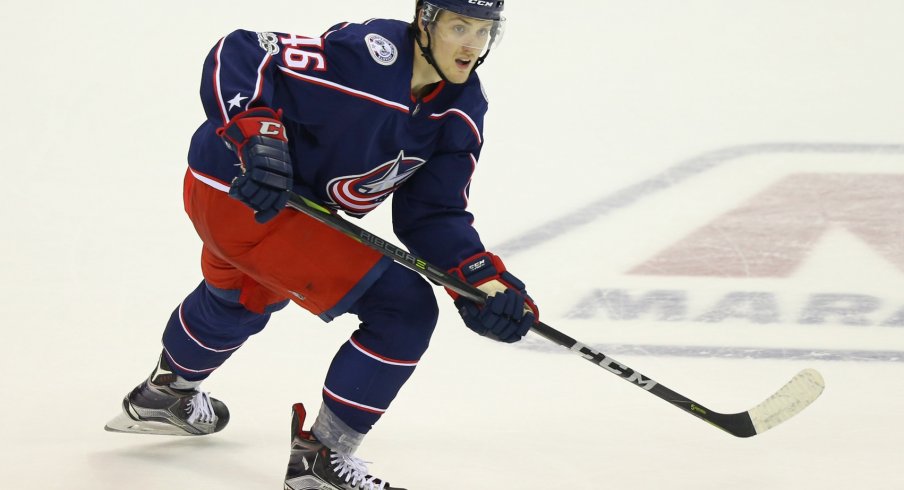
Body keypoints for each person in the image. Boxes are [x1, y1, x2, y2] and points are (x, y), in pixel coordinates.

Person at [106, 1, 538, 488]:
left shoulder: (461, 108)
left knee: (244, 297)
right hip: (242, 190)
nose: (471, 45)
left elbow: (432, 214)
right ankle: (320, 460)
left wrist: (482, 282)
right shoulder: (368, 58)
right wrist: (257, 135)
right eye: (460, 26)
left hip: (262, 205)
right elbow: (243, 52)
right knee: (403, 309)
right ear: (425, 21)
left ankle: (165, 394)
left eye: (484, 31)